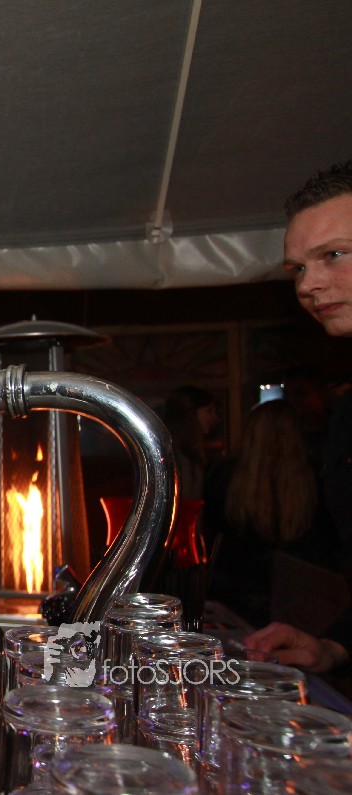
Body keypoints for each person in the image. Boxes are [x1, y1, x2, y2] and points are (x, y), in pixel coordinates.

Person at [244, 160, 352, 672]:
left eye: (333, 255)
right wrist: (333, 647)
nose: (309, 285)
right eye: (298, 270)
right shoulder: (346, 417)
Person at [201, 399, 337, 626]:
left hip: (236, 592)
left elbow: (211, 537)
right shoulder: (315, 478)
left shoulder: (223, 475)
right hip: (294, 595)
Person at [163, 385, 221, 500]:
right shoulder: (175, 452)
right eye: (209, 410)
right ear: (190, 413)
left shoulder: (186, 450)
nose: (215, 418)